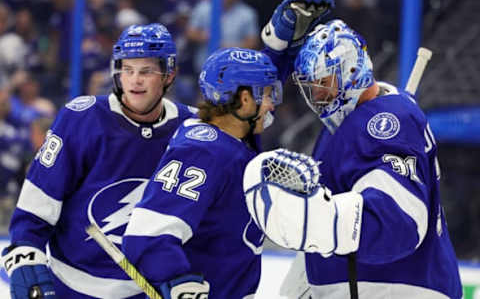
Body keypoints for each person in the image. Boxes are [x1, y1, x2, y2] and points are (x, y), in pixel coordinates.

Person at [243, 19, 462, 299]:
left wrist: (320, 221)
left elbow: (399, 221)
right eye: (311, 87)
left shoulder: (385, 122)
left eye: (324, 83)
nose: (318, 96)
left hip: (397, 287)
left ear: (352, 70)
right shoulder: (348, 123)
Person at [1, 23, 197, 298]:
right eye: (127, 70)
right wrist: (25, 249)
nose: (134, 80)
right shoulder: (82, 118)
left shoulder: (193, 130)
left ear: (169, 74)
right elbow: (38, 201)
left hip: (148, 289)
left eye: (146, 71)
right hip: (69, 285)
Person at [122, 47, 283, 298]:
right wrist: (178, 281)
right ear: (243, 99)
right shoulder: (204, 152)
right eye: (265, 94)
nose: (271, 104)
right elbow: (145, 236)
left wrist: (281, 47)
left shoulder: (229, 138)